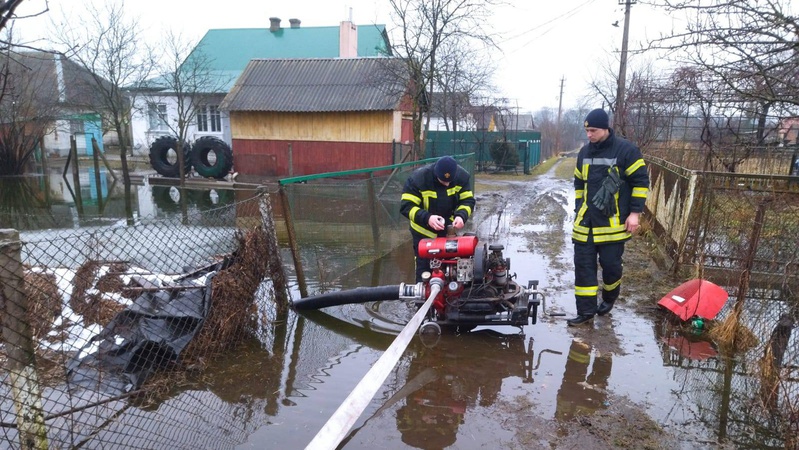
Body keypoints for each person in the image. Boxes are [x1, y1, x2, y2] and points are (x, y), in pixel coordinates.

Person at [568, 108, 649, 326]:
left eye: (593, 130)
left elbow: (641, 183)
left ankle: (609, 297)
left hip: (613, 225)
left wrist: (634, 214)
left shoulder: (627, 151)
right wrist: (579, 207)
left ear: (605, 128)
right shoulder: (584, 153)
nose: (589, 135)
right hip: (585, 224)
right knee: (583, 267)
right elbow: (578, 184)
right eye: (587, 131)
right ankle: (585, 312)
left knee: (611, 268)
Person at [400, 155, 476, 282]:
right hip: (423, 235)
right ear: (436, 173)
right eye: (443, 181)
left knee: (450, 270)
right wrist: (427, 218)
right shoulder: (418, 179)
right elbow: (406, 206)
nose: (446, 184)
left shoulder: (462, 177)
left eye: (449, 182)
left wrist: (461, 216)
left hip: (448, 233)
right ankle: (423, 299)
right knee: (424, 270)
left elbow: (467, 200)